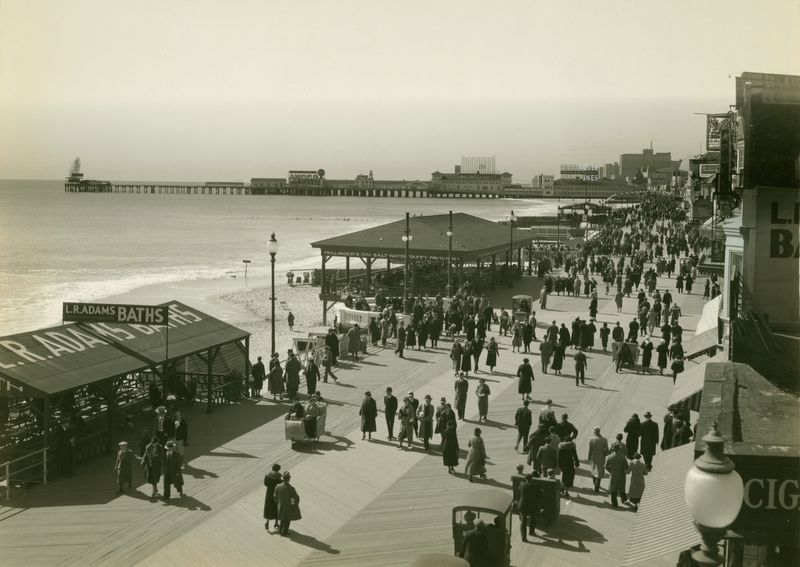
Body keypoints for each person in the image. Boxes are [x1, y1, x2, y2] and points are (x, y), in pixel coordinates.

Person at [274, 471, 301, 537]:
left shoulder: (278, 486)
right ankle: (284, 533)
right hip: (288, 507)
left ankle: (281, 530)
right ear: (288, 478)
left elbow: (275, 496)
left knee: (282, 518)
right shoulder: (291, 488)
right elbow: (295, 498)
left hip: (280, 506)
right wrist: (293, 504)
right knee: (287, 520)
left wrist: (277, 503)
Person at [518, 473, 541, 541]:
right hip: (532, 505)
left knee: (523, 522)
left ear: (525, 479)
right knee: (533, 518)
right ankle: (531, 531)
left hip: (522, 505)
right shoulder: (534, 486)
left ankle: (523, 537)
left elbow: (518, 490)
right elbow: (540, 494)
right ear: (531, 479)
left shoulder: (522, 485)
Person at [557, 434, 580, 498]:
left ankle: (562, 488)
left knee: (564, 476)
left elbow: (559, 457)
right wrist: (577, 463)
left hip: (563, 464)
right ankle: (566, 490)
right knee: (570, 476)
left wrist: (559, 465)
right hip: (570, 463)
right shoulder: (572, 447)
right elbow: (575, 456)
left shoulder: (561, 448)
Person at [587, 426, 609, 493]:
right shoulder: (604, 439)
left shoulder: (591, 439)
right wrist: (604, 455)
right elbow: (606, 450)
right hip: (601, 457)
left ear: (594, 432)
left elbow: (590, 450)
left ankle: (595, 484)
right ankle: (597, 487)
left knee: (593, 470)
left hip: (593, 457)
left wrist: (589, 457)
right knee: (599, 472)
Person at [263, 463, 282, 530]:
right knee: (277, 509)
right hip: (276, 495)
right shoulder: (278, 478)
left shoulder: (267, 475)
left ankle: (267, 522)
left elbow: (265, 484)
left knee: (269, 508)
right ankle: (276, 523)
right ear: (278, 469)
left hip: (269, 493)